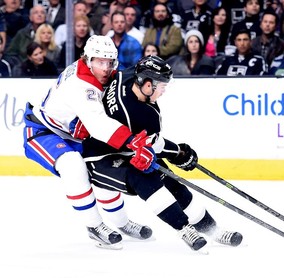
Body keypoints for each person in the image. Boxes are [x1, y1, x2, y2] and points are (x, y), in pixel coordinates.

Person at [81, 55, 244, 252]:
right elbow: (154, 145)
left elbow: (144, 144)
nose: (164, 91)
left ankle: (212, 230)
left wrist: (176, 153)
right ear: (148, 86)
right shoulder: (143, 115)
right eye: (162, 86)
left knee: (172, 182)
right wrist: (180, 153)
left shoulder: (128, 75)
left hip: (128, 148)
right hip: (99, 157)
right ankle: (184, 229)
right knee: (144, 179)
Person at [23, 35, 154, 250]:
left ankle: (121, 223)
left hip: (73, 133)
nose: (105, 67)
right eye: (100, 62)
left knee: (103, 168)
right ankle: (94, 226)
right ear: (88, 59)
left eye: (109, 62)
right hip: (42, 131)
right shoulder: (81, 85)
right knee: (72, 165)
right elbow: (99, 124)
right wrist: (131, 141)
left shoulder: (92, 68)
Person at [5, 4, 46, 69]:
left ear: (45, 17)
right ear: (30, 17)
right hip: (24, 69)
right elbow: (10, 52)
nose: (39, 15)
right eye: (36, 12)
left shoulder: (50, 33)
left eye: (42, 12)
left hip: (45, 69)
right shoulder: (22, 34)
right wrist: (20, 64)